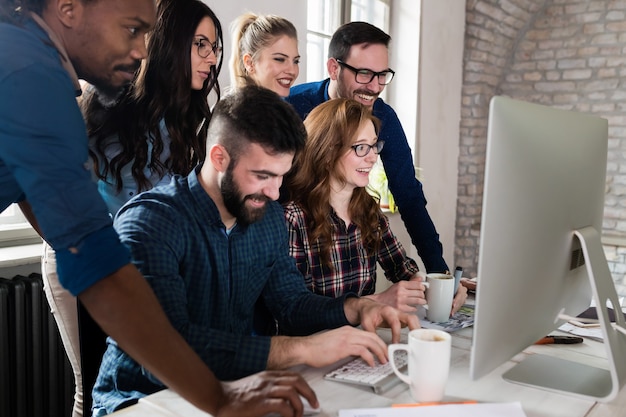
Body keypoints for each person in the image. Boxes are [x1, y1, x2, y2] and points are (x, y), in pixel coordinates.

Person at [0, 1, 316, 417]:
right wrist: (221, 398)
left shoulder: (30, 62)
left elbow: (33, 188)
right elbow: (98, 265)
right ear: (68, 9)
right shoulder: (30, 74)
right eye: (132, 30)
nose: (143, 50)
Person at [92, 85, 419, 415]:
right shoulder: (150, 223)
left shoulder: (267, 216)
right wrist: (300, 348)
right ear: (219, 157)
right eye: (262, 175)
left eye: (281, 176)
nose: (275, 193)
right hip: (143, 400)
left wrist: (356, 308)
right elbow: (167, 349)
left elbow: (291, 303)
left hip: (233, 386)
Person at [40, 1, 225, 415]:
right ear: (169, 44)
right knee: (92, 388)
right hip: (82, 255)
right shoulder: (111, 99)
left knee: (139, 388)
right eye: (200, 45)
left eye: (214, 47)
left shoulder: (191, 114)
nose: (212, 58)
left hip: (137, 260)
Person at [286, 21, 449, 274]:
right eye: (364, 73)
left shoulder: (385, 117)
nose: (374, 87)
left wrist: (441, 276)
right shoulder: (293, 106)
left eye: (382, 75)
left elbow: (409, 196)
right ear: (334, 68)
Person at [284, 98, 467, 314]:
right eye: (361, 147)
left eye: (374, 146)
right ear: (327, 153)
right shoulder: (293, 219)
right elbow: (294, 312)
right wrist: (379, 300)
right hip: (317, 345)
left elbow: (401, 268)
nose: (373, 158)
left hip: (365, 340)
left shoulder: (368, 209)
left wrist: (435, 286)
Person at [229, 12, 300, 97]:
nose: (292, 71)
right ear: (249, 63)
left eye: (296, 61)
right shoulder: (236, 109)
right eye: (280, 59)